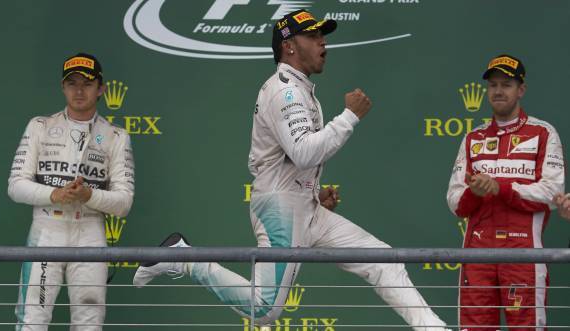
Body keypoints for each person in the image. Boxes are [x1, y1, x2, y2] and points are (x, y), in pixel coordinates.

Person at [134, 9, 449, 330]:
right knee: (264, 309)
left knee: (383, 260)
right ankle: (184, 259)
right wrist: (349, 117)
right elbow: (302, 152)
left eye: (322, 36)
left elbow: (296, 158)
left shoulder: (297, 89)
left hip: (304, 206)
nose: (323, 43)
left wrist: (311, 190)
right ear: (290, 46)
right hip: (280, 210)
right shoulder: (284, 91)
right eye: (313, 36)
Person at [8, 53, 135, 330]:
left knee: (89, 324)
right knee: (32, 320)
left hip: (90, 233)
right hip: (46, 230)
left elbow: (124, 203)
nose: (79, 91)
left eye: (87, 84)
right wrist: (54, 194)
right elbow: (15, 185)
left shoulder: (116, 136)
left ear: (101, 88)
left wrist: (88, 196)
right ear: (63, 87)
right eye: (72, 83)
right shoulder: (40, 126)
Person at [447, 54, 565, 330]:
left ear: (521, 90)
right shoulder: (472, 138)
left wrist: (500, 188)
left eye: (507, 85)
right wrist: (475, 192)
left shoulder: (543, 133)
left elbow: (552, 193)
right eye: (493, 85)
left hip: (523, 255)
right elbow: (455, 202)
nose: (498, 91)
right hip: (477, 257)